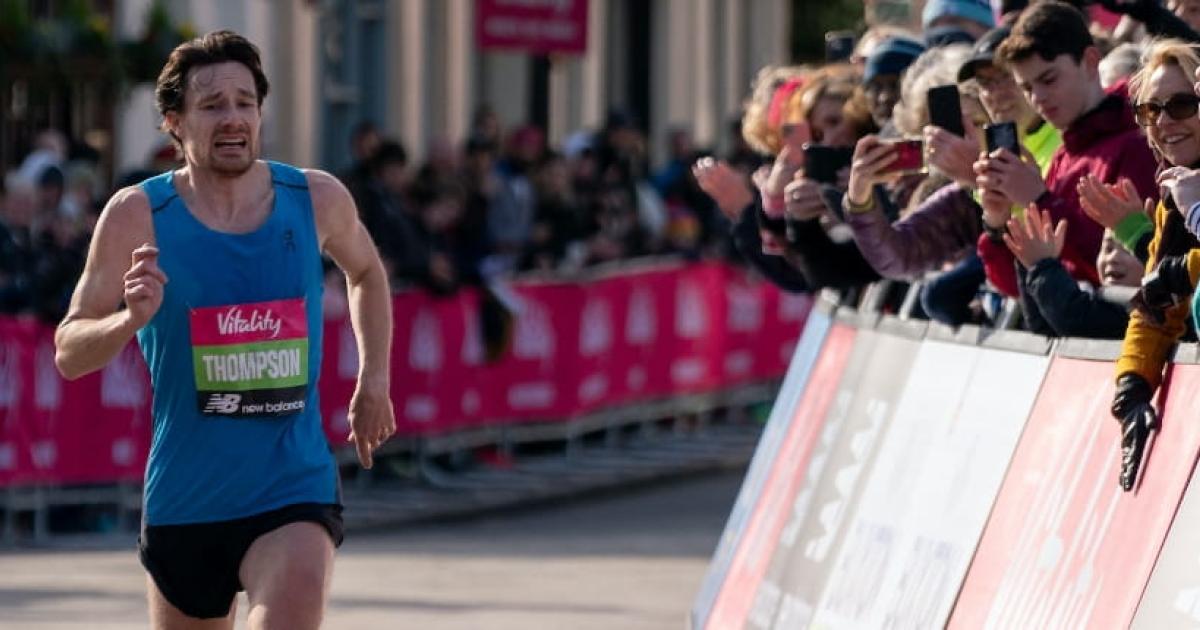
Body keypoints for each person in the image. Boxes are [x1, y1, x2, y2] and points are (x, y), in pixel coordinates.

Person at [53, 30, 395, 628]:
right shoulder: (137, 214)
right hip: (186, 500)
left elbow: (366, 271)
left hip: (293, 488)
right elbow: (69, 351)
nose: (232, 117)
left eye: (245, 102)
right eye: (211, 105)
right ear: (174, 123)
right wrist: (129, 320)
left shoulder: (314, 198)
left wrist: (374, 379)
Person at [974, 2, 1157, 302]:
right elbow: (1025, 289)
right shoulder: (1064, 154)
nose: (1038, 97)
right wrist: (996, 222)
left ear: (1090, 61)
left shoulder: (1138, 143)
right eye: (1027, 88)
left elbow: (1127, 267)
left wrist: (1038, 199)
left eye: (1049, 79)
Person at [1100, 39, 1200, 491]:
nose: (1163, 122)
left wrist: (1187, 270)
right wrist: (1132, 388)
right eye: (1149, 110)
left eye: (1181, 105)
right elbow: (1154, 306)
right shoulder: (1173, 196)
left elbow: (1173, 279)